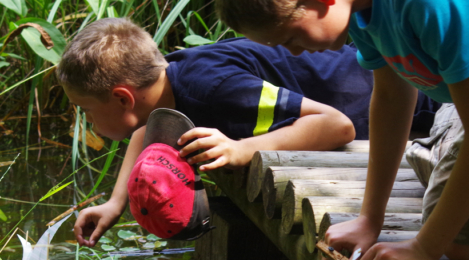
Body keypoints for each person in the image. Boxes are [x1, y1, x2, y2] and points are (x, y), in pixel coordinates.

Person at [56, 17, 438, 247]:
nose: (89, 123)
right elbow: (146, 132)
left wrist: (243, 148)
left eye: (87, 111)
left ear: (123, 97)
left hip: (411, 109)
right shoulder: (166, 82)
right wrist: (114, 203)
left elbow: (336, 126)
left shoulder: (212, 88)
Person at [216, 0, 469, 260]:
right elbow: (391, 96)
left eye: (290, 39)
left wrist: (423, 249)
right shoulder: (362, 11)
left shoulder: (427, 6)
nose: (294, 52)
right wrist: (369, 219)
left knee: (463, 241)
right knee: (441, 178)